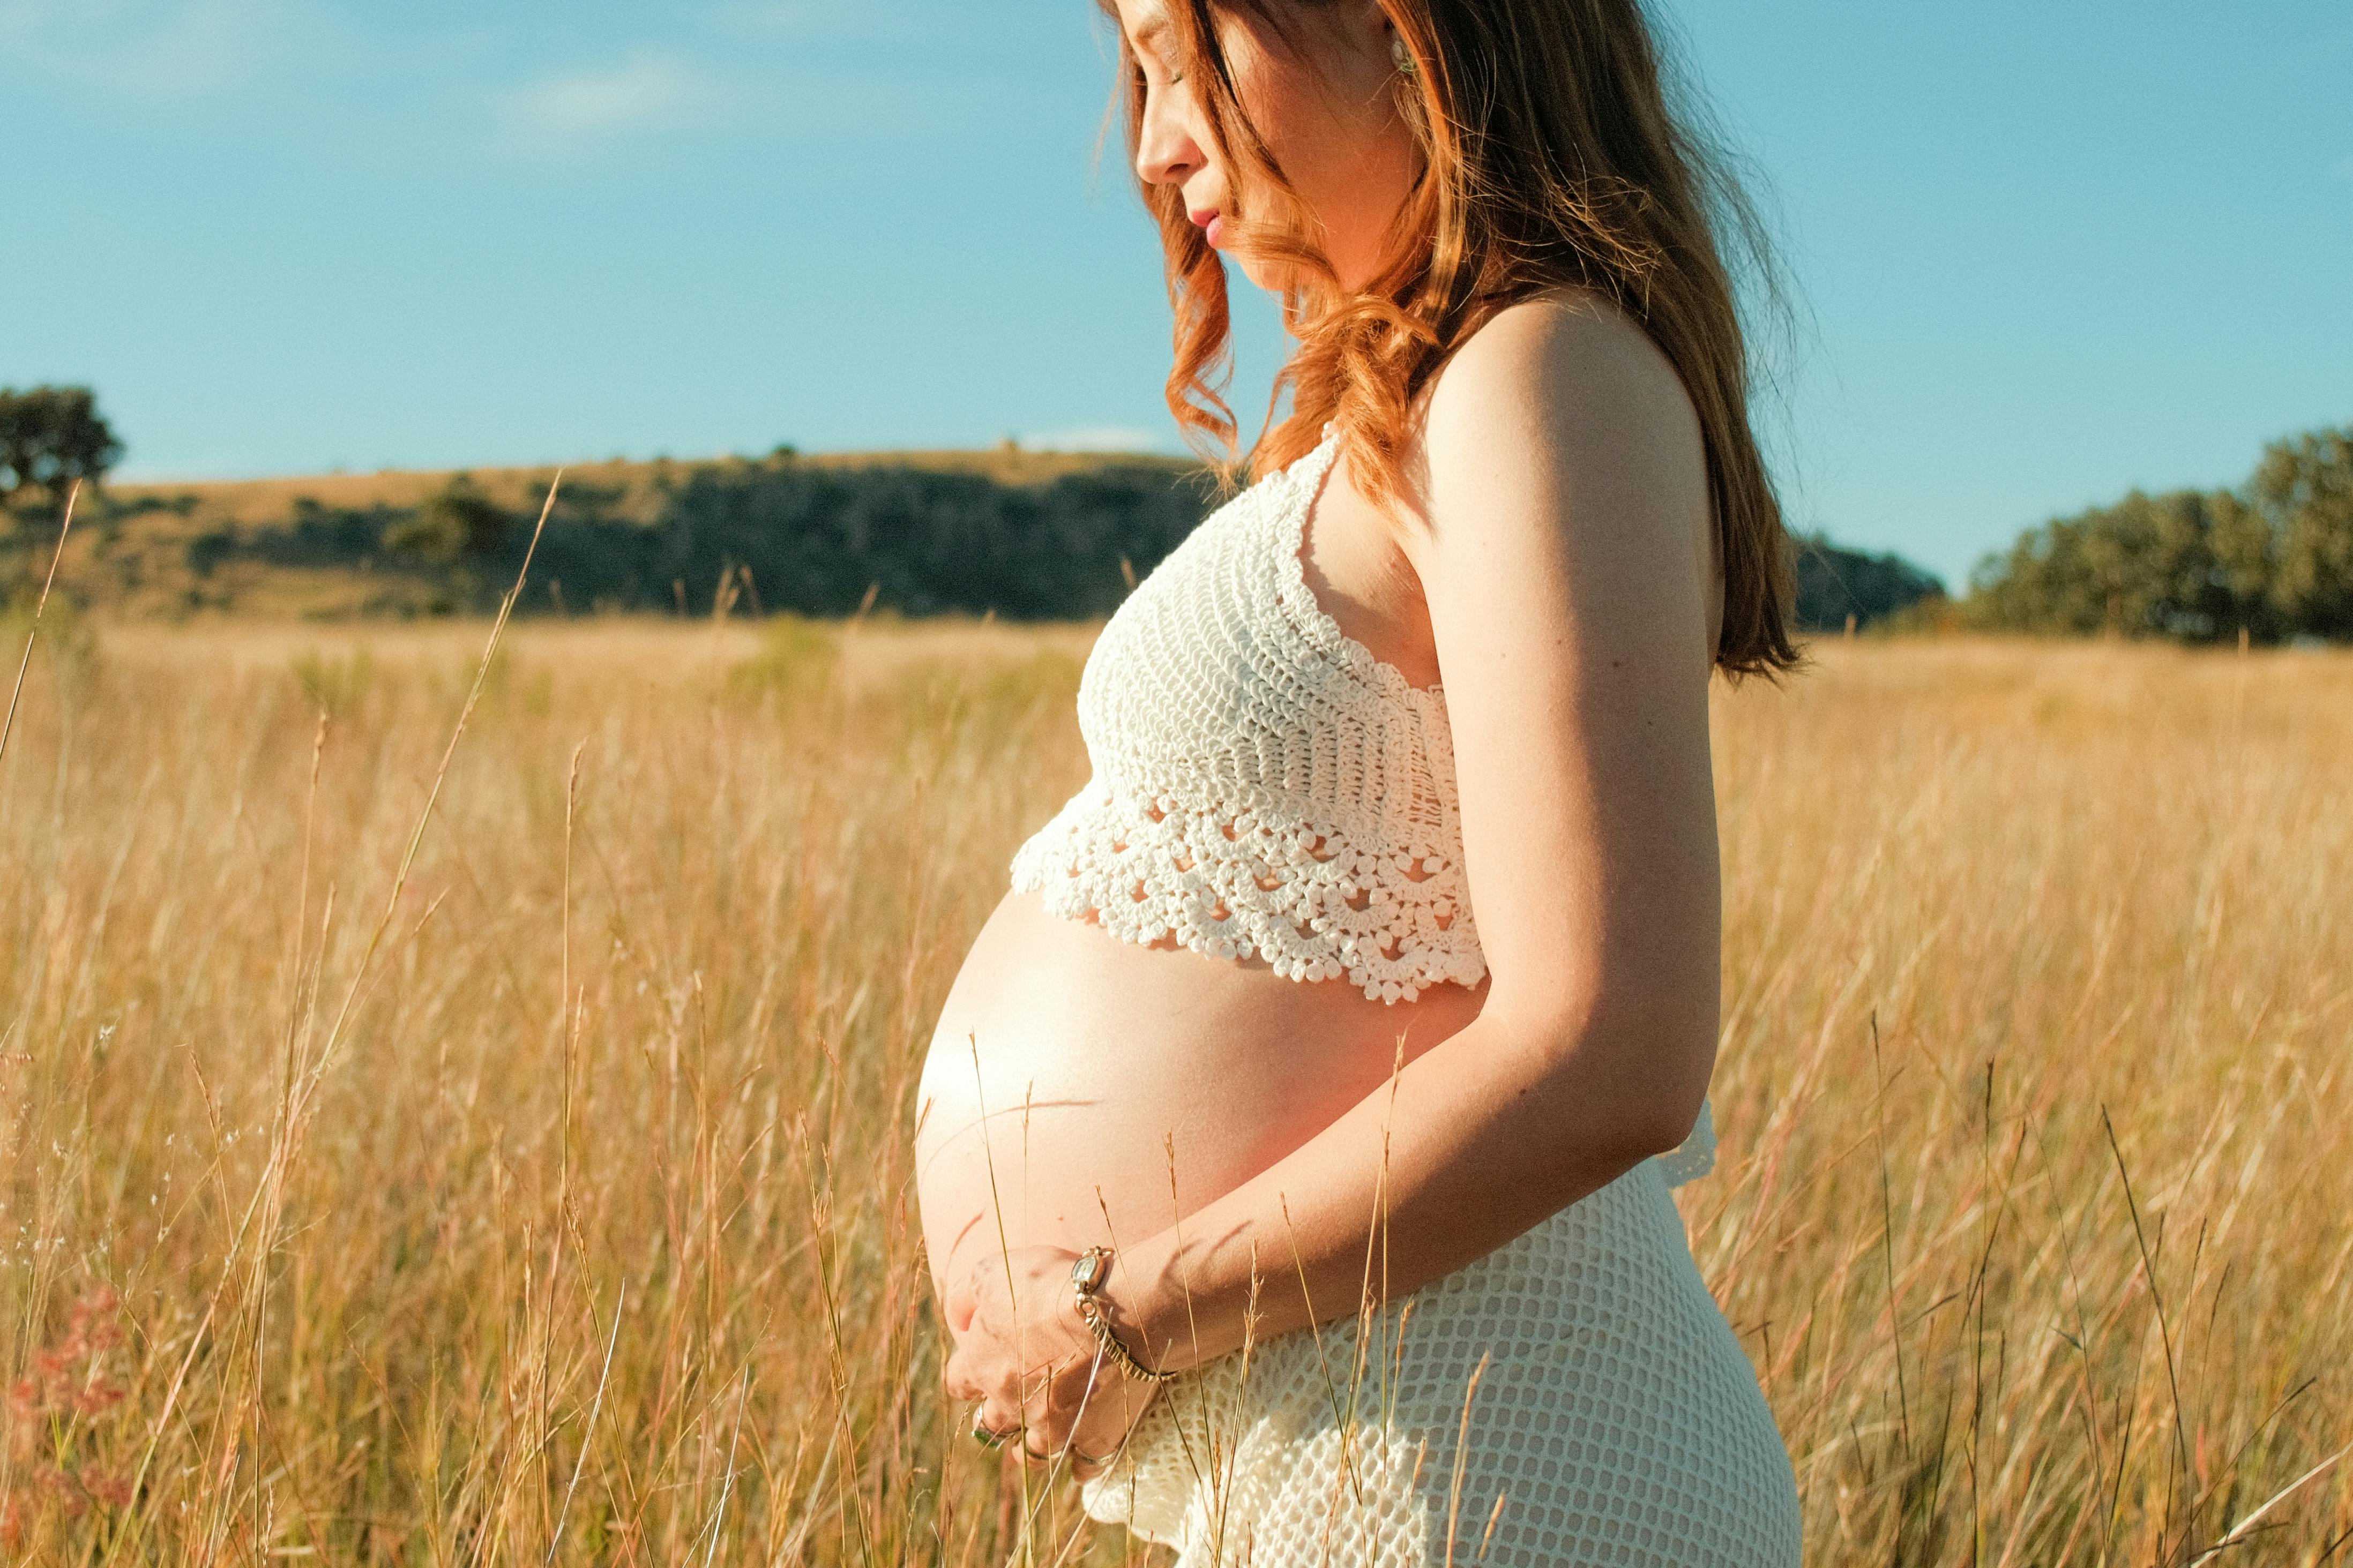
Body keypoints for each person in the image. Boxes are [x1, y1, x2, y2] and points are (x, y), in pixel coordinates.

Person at [914, 1, 1806, 1562]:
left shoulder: (1543, 372)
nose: (1155, 141)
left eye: (1188, 60)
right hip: (1395, 1442)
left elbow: (1615, 1043)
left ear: (1410, 31)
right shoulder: (1443, 396)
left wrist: (1135, 1314)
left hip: (1491, 1453)